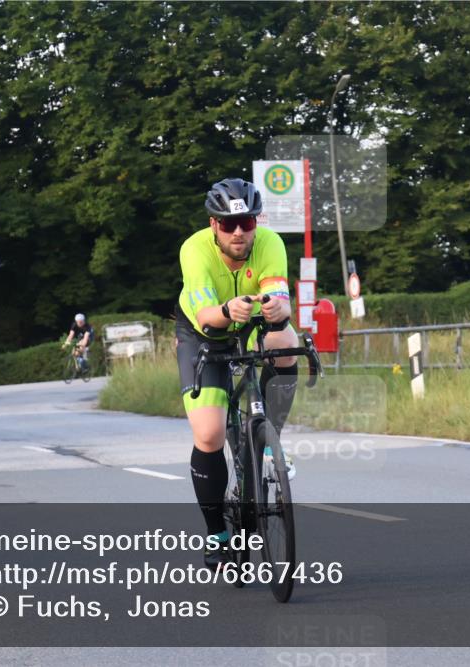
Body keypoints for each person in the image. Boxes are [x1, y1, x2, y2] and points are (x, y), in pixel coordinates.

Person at [175, 178, 300, 568]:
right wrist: (228, 310)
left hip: (249, 323)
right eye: (228, 225)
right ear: (214, 225)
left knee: (284, 340)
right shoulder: (194, 250)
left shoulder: (270, 243)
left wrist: (280, 309)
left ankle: (268, 440)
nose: (239, 232)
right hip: (204, 331)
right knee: (210, 434)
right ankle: (216, 533)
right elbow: (206, 315)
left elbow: (279, 297)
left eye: (246, 222)